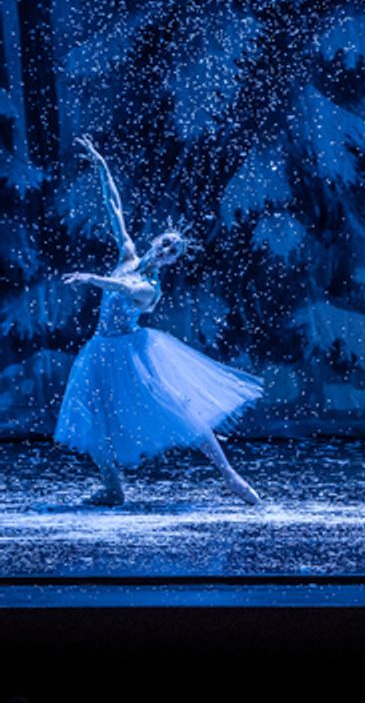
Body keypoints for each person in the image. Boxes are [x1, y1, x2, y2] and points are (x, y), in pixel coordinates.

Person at [53, 135, 263, 506]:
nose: (166, 250)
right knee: (93, 415)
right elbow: (114, 208)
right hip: (100, 350)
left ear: (170, 262)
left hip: (133, 353)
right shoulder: (129, 253)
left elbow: (121, 287)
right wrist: (102, 164)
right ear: (155, 241)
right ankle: (112, 487)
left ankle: (230, 476)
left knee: (180, 408)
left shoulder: (150, 288)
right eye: (166, 242)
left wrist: (92, 278)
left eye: (173, 252)